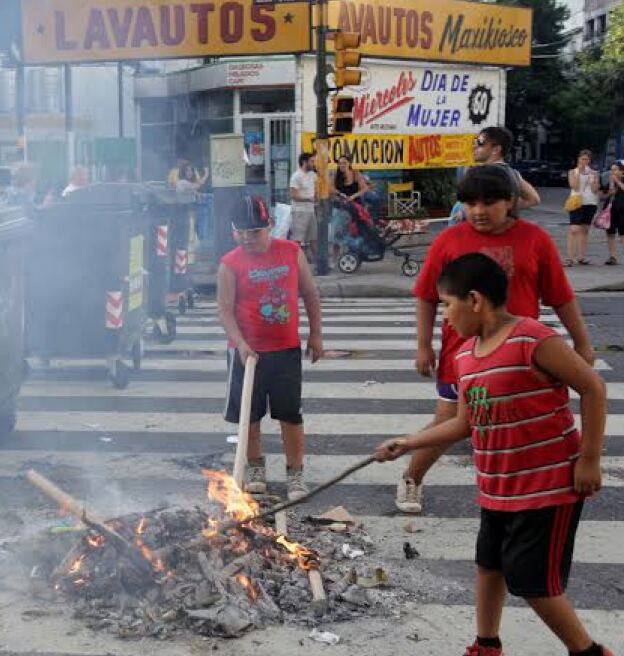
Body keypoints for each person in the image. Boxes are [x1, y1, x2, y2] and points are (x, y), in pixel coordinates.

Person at [374, 253, 611, 656]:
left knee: (531, 581)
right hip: (498, 488)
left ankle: (588, 651)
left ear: (475, 300)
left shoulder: (531, 338)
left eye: (447, 304)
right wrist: (410, 442)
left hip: (546, 486)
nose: (444, 316)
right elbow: (464, 423)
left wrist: (589, 458)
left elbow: (592, 387)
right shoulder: (466, 357)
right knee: (489, 564)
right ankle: (486, 644)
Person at [396, 164, 595, 515]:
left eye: (489, 202)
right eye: (471, 203)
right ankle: (412, 476)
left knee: (519, 424)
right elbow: (427, 295)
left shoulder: (534, 239)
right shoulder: (449, 240)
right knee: (450, 421)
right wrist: (423, 345)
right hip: (462, 356)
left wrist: (582, 342)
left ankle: (521, 493)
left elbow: (560, 296)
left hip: (523, 358)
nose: (479, 211)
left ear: (510, 202)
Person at [217, 198, 323, 501]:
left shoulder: (290, 252)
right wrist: (240, 344)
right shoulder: (230, 263)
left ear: (270, 226)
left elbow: (310, 293)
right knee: (249, 416)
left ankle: (295, 472)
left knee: (290, 414)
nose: (247, 238)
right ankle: (255, 467)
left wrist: (315, 334)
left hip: (285, 349)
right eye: (241, 232)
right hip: (247, 354)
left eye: (255, 231)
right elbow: (225, 311)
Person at [472, 126, 540, 211]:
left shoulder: (485, 174)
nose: (474, 146)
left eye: (480, 143)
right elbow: (534, 199)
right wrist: (505, 208)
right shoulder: (513, 173)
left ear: (496, 149)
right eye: (475, 142)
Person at [566, 150, 599, 266]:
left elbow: (595, 189)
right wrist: (579, 173)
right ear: (578, 159)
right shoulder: (572, 172)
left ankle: (582, 257)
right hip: (576, 202)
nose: (585, 161)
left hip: (590, 202)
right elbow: (574, 186)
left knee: (585, 230)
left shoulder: (594, 173)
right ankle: (570, 258)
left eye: (587, 159)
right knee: (574, 229)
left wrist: (593, 179)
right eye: (582, 159)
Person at [288, 153, 317, 256]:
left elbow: (316, 188)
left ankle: (317, 261)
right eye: (311, 161)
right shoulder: (296, 176)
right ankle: (294, 260)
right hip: (299, 211)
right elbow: (293, 195)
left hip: (311, 210)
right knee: (298, 239)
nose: (313, 164)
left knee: (313, 237)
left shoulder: (313, 175)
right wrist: (308, 199)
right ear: (305, 162)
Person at [603, 161, 624, 265]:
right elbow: (604, 195)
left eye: (615, 170)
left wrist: (617, 181)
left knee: (622, 234)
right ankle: (613, 256)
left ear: (622, 171)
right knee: (610, 233)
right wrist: (609, 191)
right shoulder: (610, 182)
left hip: (622, 210)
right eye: (612, 170)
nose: (613, 172)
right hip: (611, 209)